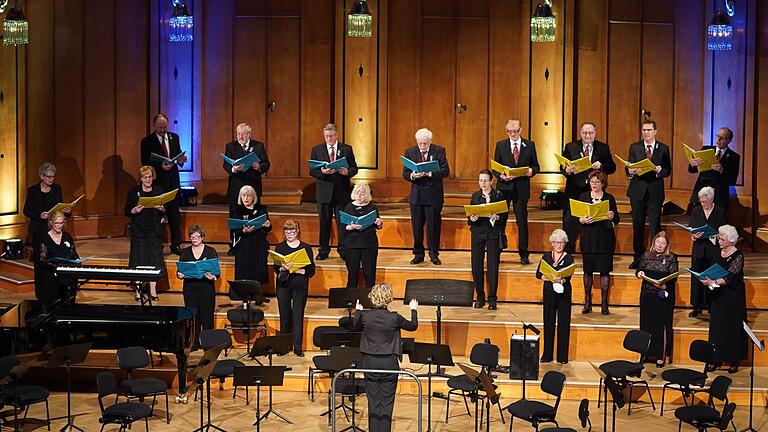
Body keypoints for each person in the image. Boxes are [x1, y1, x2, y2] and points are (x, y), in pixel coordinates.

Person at [353, 283, 418, 432]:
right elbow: (413, 326)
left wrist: (358, 311)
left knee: (373, 401)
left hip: (370, 362)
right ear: (389, 299)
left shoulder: (365, 316)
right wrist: (413, 310)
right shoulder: (395, 317)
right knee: (387, 402)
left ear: (372, 298)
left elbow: (355, 327)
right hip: (389, 363)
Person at [559, 122, 616, 254]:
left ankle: (594, 251)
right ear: (580, 133)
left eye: (590, 132)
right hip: (573, 191)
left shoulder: (603, 148)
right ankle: (567, 253)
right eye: (585, 132)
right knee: (569, 223)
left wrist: (601, 165)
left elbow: (612, 167)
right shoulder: (570, 147)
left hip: (594, 192)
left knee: (594, 223)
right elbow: (562, 167)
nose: (587, 135)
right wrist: (567, 169)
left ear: (595, 133)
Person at [493, 119, 540, 264]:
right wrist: (500, 175)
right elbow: (495, 167)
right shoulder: (500, 145)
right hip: (504, 188)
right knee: (500, 220)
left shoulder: (529, 145)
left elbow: (536, 166)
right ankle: (498, 250)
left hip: (521, 188)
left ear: (520, 130)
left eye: (514, 131)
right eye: (509, 131)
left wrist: (531, 171)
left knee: (522, 222)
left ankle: (524, 254)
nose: (512, 134)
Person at [700, 225, 747, 373]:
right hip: (718, 296)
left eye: (722, 238)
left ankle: (734, 360)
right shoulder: (717, 252)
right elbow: (711, 268)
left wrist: (713, 282)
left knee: (732, 327)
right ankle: (715, 359)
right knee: (717, 328)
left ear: (731, 241)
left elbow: (730, 276)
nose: (719, 240)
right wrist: (706, 278)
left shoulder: (738, 255)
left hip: (732, 296)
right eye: (719, 238)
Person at [625, 119, 671, 269]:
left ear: (655, 131)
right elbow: (629, 167)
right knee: (637, 226)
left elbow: (667, 170)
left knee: (654, 227)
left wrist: (659, 171)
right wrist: (631, 171)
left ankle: (655, 259)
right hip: (637, 191)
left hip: (655, 192)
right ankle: (638, 258)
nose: (646, 132)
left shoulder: (663, 148)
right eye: (644, 130)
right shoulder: (635, 147)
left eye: (649, 130)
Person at [309, 123, 358, 260]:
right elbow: (312, 170)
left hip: (341, 193)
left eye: (331, 136)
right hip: (324, 193)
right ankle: (323, 250)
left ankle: (343, 250)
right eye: (326, 136)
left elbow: (354, 168)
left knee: (342, 223)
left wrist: (346, 171)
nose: (329, 138)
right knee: (324, 222)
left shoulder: (346, 149)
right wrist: (323, 172)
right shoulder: (317, 149)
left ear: (336, 135)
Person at [140, 113, 187, 254]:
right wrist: (160, 166)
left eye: (165, 126)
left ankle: (176, 244)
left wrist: (181, 160)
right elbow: (145, 162)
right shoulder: (147, 141)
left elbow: (178, 154)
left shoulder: (174, 137)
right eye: (160, 127)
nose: (162, 129)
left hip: (173, 181)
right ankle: (157, 244)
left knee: (174, 215)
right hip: (158, 183)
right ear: (154, 125)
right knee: (157, 215)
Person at [402, 128, 450, 265]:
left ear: (430, 141)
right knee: (417, 227)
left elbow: (445, 171)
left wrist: (429, 173)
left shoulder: (439, 151)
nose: (422, 146)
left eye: (425, 143)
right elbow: (405, 173)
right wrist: (413, 175)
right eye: (420, 143)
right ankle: (418, 254)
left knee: (433, 226)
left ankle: (434, 254)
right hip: (417, 196)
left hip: (433, 196)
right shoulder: (410, 152)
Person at [577, 170, 619, 314]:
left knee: (604, 271)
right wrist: (581, 220)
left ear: (603, 183)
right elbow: (577, 216)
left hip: (604, 239)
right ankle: (587, 301)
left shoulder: (609, 198)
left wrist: (611, 216)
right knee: (587, 271)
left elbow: (617, 219)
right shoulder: (583, 196)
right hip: (588, 238)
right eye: (592, 182)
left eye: (597, 182)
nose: (594, 184)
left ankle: (604, 303)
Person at [635, 231, 678, 367]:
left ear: (667, 245)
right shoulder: (647, 255)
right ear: (654, 243)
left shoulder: (671, 257)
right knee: (646, 324)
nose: (660, 245)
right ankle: (644, 353)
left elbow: (674, 275)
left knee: (661, 326)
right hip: (647, 294)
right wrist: (639, 273)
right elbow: (639, 270)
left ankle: (661, 355)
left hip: (663, 295)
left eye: (663, 243)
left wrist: (665, 284)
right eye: (658, 242)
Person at [124, 166, 167, 301]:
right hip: (139, 231)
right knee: (139, 260)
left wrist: (162, 208)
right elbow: (126, 211)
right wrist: (134, 210)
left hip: (154, 231)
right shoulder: (133, 192)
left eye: (149, 177)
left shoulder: (159, 190)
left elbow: (166, 211)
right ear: (140, 178)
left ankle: (153, 291)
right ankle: (138, 291)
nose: (148, 180)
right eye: (145, 177)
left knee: (154, 260)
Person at [273, 220, 316, 356]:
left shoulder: (306, 248)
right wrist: (281, 268)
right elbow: (276, 267)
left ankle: (297, 347)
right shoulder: (280, 247)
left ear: (297, 231)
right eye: (287, 232)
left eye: (292, 231)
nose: (289, 234)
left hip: (299, 284)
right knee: (284, 315)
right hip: (284, 284)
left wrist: (302, 271)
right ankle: (284, 347)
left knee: (298, 315)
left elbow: (311, 270)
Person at [467, 169, 507, 310]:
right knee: (476, 266)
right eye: (480, 180)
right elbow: (469, 217)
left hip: (493, 233)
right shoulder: (475, 196)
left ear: (491, 181)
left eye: (485, 180)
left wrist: (498, 217)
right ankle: (480, 297)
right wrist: (472, 219)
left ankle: (492, 299)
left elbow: (504, 217)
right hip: (478, 233)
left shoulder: (499, 196)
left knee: (492, 266)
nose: (482, 183)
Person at [688, 187, 727, 318]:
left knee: (713, 276)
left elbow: (723, 229)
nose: (702, 204)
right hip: (699, 248)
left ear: (711, 199)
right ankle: (696, 306)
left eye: (705, 201)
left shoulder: (720, 211)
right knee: (697, 276)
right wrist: (694, 236)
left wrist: (715, 234)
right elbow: (692, 230)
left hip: (713, 249)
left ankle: (712, 305)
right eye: (701, 201)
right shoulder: (696, 210)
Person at [176, 225, 218, 347]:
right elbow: (180, 270)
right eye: (192, 236)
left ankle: (208, 342)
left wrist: (213, 277)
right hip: (190, 288)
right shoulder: (185, 252)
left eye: (197, 236)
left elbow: (216, 272)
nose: (194, 239)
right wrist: (179, 275)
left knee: (207, 315)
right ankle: (194, 343)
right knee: (192, 316)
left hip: (206, 287)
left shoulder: (210, 251)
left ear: (202, 237)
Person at [536, 229, 573, 364]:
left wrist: (561, 280)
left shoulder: (568, 257)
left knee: (563, 323)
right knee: (549, 322)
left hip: (563, 293)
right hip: (549, 292)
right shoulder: (546, 256)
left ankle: (562, 357)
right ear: (552, 243)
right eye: (557, 242)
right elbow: (538, 274)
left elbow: (569, 275)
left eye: (562, 243)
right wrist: (546, 277)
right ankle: (547, 355)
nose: (560, 245)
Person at [24, 163, 70, 258]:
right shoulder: (33, 191)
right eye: (49, 177)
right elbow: (26, 210)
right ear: (42, 176)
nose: (51, 179)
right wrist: (39, 215)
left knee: (55, 255)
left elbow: (60, 206)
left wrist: (67, 211)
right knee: (40, 257)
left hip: (54, 226)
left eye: (53, 177)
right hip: (39, 227)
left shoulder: (57, 189)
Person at [688, 127, 740, 212]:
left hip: (719, 198)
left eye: (722, 138)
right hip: (701, 194)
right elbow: (692, 170)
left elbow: (732, 180)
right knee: (697, 223)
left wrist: (722, 170)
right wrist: (692, 164)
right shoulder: (705, 149)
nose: (718, 140)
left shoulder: (734, 157)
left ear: (729, 140)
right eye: (717, 136)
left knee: (716, 224)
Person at [342, 183, 383, 289]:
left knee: (369, 273)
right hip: (352, 244)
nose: (359, 196)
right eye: (357, 193)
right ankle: (351, 300)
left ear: (367, 194)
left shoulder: (372, 207)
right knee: (352, 273)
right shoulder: (349, 207)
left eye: (362, 193)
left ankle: (371, 299)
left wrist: (379, 223)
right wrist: (351, 227)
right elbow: (344, 227)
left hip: (369, 244)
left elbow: (378, 225)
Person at [223, 122, 270, 208]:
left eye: (243, 134)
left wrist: (259, 166)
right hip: (236, 185)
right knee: (236, 214)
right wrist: (234, 169)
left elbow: (266, 164)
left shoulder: (258, 146)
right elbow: (226, 165)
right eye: (238, 134)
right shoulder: (230, 146)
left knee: (253, 214)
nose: (240, 137)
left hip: (253, 185)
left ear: (249, 134)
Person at [230, 185, 271, 284]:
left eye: (249, 195)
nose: (246, 198)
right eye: (243, 195)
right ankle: (244, 295)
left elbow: (269, 228)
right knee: (244, 269)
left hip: (258, 244)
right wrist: (243, 231)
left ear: (253, 197)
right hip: (244, 245)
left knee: (258, 269)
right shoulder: (236, 211)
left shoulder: (261, 209)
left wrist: (267, 225)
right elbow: (234, 230)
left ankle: (258, 294)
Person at [36, 211, 79, 304]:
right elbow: (42, 259)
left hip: (66, 271)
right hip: (51, 271)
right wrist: (55, 267)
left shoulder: (67, 237)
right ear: (51, 223)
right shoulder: (45, 238)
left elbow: (74, 254)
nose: (59, 226)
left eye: (61, 223)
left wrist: (77, 261)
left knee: (70, 283)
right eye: (56, 223)